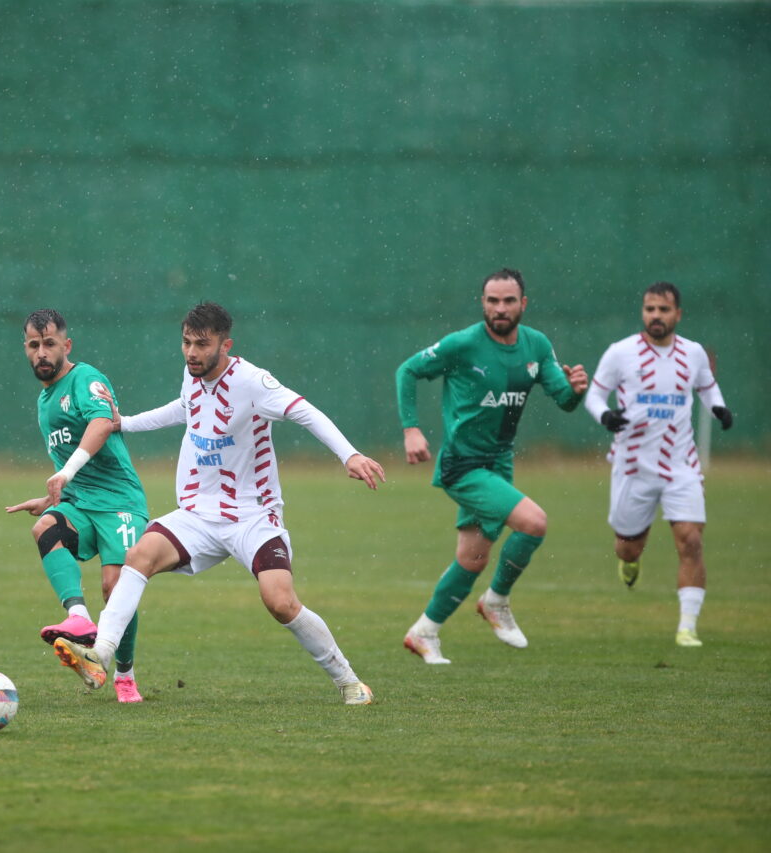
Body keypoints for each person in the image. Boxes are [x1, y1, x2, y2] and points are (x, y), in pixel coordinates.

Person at [52, 302, 385, 705]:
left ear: (225, 345)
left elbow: (305, 412)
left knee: (280, 603)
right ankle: (100, 654)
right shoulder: (193, 375)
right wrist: (127, 422)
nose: (191, 352)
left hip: (253, 517)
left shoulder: (254, 382)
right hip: (197, 515)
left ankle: (348, 681)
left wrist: (348, 454)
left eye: (202, 344)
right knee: (137, 557)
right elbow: (185, 408)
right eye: (186, 342)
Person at [396, 268, 588, 664]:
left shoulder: (536, 345)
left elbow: (563, 398)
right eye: (492, 301)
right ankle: (497, 601)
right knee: (534, 522)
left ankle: (424, 632)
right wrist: (411, 429)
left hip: (499, 462)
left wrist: (577, 391)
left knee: (473, 558)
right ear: (483, 302)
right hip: (462, 465)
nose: (499, 308)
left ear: (523, 304)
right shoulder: (463, 344)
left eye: (508, 301)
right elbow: (407, 370)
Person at [5, 309, 151, 703]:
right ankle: (80, 620)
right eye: (34, 345)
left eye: (49, 343)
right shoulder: (44, 400)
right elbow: (67, 461)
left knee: (115, 587)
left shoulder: (86, 378)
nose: (41, 353)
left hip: (120, 501)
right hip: (81, 503)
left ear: (66, 346)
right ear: (25, 349)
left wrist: (65, 475)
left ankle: (125, 674)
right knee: (45, 529)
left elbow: (103, 424)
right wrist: (52, 496)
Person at [583, 282, 732, 647]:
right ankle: (630, 561)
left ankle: (687, 626)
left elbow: (707, 387)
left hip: (681, 464)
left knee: (691, 541)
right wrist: (605, 416)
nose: (656, 316)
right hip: (633, 465)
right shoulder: (621, 353)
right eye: (650, 309)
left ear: (677, 314)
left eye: (663, 310)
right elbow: (595, 394)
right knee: (628, 546)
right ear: (643, 312)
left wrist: (719, 407)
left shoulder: (693, 353)